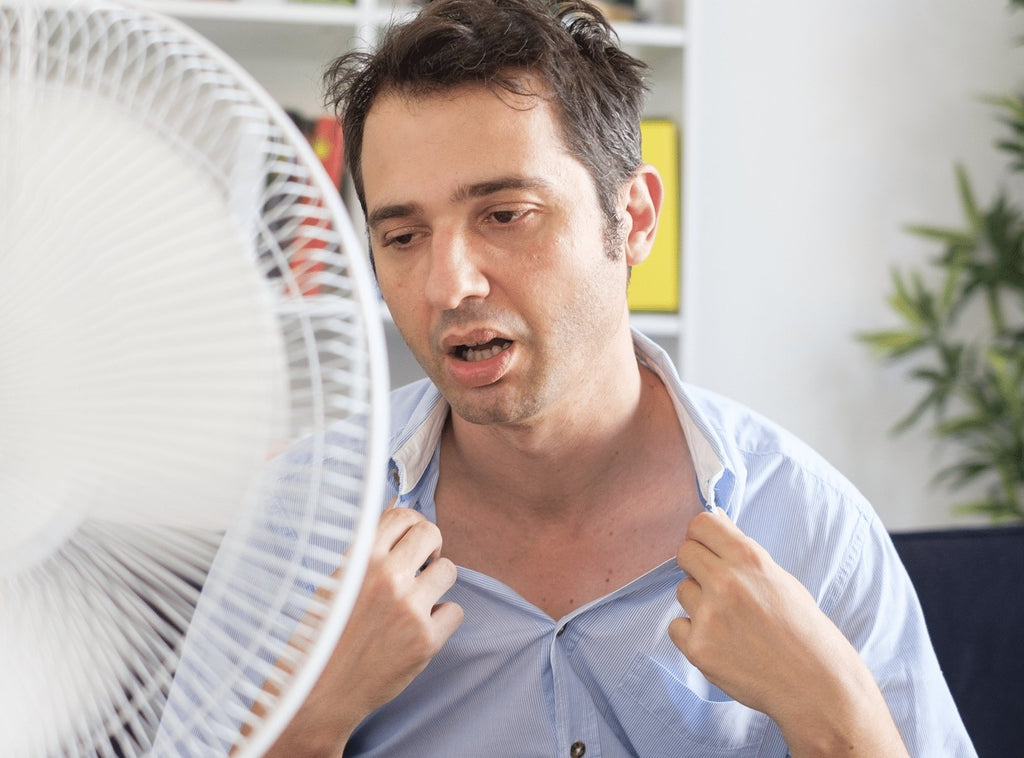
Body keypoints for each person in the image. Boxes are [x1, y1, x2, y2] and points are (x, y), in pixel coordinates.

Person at [264, 1, 975, 755]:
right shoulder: (300, 525)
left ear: (632, 219)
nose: (448, 285)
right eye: (403, 237)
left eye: (506, 215)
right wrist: (314, 712)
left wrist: (835, 714)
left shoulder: (811, 525)